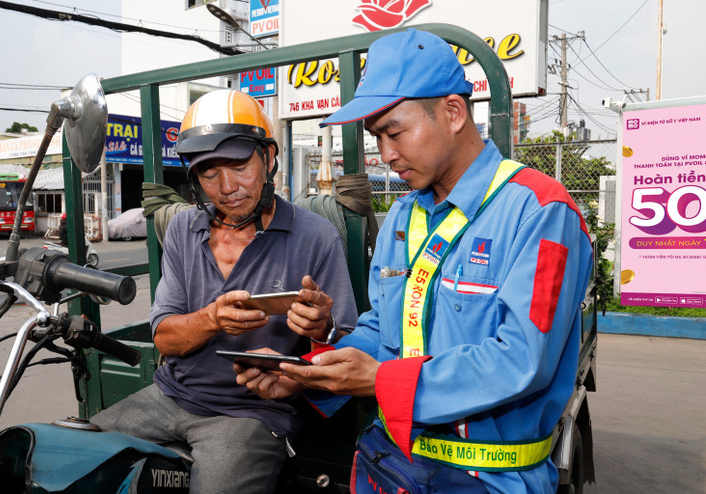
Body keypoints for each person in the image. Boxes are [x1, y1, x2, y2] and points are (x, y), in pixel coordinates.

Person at [236, 29, 594, 494]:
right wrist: (309, 373)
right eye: (376, 137)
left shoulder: (541, 212)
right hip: (390, 465)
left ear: (452, 112)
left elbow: (522, 361)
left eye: (394, 132)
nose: (385, 155)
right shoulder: (404, 215)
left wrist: (383, 382)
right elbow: (383, 331)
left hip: (489, 480)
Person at [91, 89, 358, 494]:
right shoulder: (183, 229)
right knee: (83, 460)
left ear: (268, 160)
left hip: (253, 413)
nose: (227, 186)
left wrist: (322, 329)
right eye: (209, 173)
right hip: (170, 394)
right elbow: (165, 336)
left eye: (239, 166)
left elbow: (348, 346)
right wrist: (212, 318)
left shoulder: (316, 237)